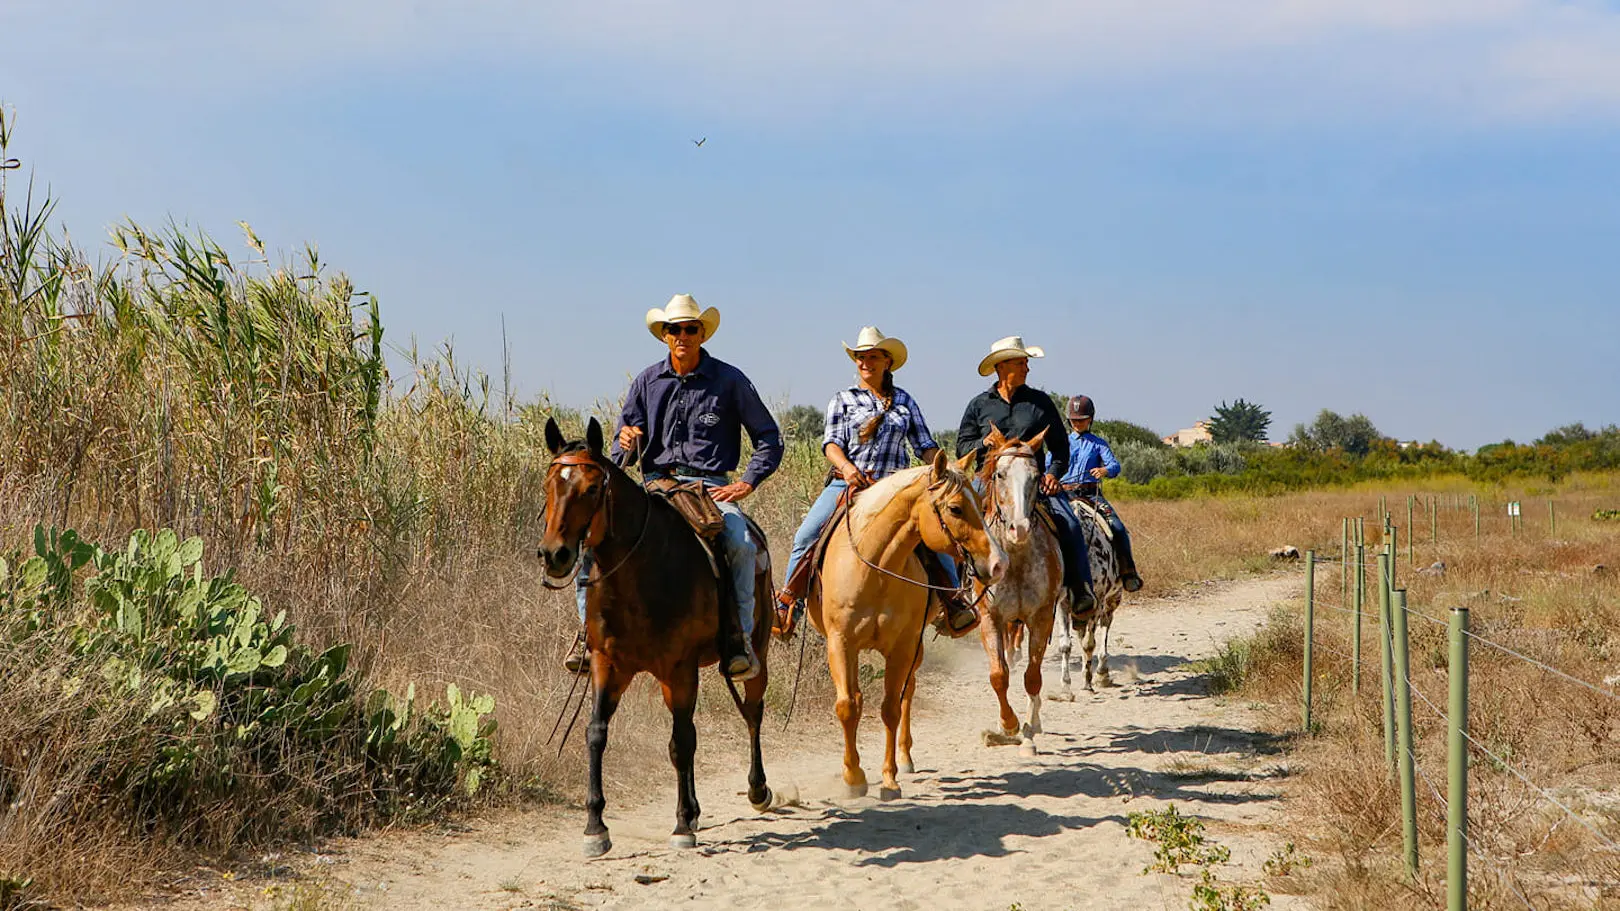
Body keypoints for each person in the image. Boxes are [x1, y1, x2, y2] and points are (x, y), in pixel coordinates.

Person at [567, 293, 783, 680]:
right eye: (674, 329)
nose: (682, 335)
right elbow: (620, 445)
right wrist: (626, 443)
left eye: (690, 329)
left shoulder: (730, 381)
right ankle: (589, 638)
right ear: (664, 336)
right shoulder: (646, 382)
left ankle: (740, 641)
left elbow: (769, 438)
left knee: (739, 543)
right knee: (591, 544)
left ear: (702, 334)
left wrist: (746, 483)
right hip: (655, 488)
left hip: (709, 489)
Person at [772, 327, 979, 639]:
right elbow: (831, 444)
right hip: (850, 484)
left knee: (935, 533)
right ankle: (790, 601)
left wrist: (945, 466)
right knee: (808, 533)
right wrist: (846, 467)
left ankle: (952, 601)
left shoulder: (905, 401)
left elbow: (924, 444)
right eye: (860, 357)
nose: (865, 362)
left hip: (896, 490)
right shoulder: (843, 399)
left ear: (887, 362)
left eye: (872, 356)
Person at [955, 336, 1096, 616]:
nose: (1026, 369)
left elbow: (1060, 449)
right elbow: (962, 446)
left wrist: (1054, 474)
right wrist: (982, 443)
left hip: (1033, 483)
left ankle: (1080, 589)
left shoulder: (1040, 403)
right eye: (1021, 363)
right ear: (1001, 366)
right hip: (989, 480)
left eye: (1026, 363)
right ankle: (957, 596)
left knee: (1069, 523)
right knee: (956, 521)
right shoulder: (978, 405)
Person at [1053, 395, 1143, 592]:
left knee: (1118, 527)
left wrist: (1105, 471)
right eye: (1074, 420)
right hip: (1062, 495)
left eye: (1082, 419)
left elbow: (1114, 465)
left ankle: (1128, 572)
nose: (1077, 423)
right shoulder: (1060, 443)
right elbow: (1048, 467)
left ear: (1090, 419)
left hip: (1090, 494)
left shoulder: (1098, 443)